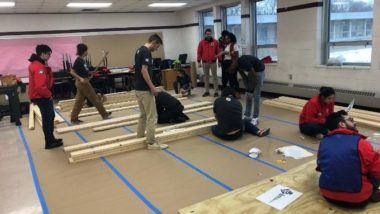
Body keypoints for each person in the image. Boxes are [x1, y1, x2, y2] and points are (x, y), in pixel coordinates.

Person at [317, 110, 380, 208]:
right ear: (342, 124)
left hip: (327, 195)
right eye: (351, 120)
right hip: (357, 199)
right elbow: (378, 171)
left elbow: (321, 167)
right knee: (372, 167)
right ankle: (372, 193)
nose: (355, 122)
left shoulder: (323, 143)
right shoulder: (361, 143)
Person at [135, 34, 168, 150]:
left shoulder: (139, 50)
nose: (157, 49)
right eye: (157, 46)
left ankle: (140, 135)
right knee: (152, 116)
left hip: (137, 88)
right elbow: (144, 70)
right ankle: (151, 142)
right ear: (153, 42)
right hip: (144, 90)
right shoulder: (146, 52)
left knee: (143, 114)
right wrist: (152, 87)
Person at [28, 44, 63, 149]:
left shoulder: (39, 64)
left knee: (50, 116)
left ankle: (51, 139)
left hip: (41, 96)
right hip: (41, 96)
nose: (49, 56)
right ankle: (49, 142)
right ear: (42, 54)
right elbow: (40, 87)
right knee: (47, 118)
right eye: (48, 54)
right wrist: (49, 95)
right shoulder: (38, 66)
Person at [69, 43, 111, 124]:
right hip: (82, 83)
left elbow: (84, 71)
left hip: (84, 81)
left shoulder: (82, 60)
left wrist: (90, 72)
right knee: (95, 98)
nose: (87, 52)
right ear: (84, 51)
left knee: (79, 101)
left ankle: (74, 118)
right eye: (86, 50)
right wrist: (80, 78)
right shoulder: (78, 60)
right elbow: (72, 72)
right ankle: (104, 114)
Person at [236, 55, 266, 125]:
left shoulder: (244, 62)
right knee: (248, 95)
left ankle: (255, 117)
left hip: (259, 71)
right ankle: (247, 115)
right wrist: (248, 90)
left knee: (256, 95)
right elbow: (244, 78)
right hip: (252, 72)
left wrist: (253, 88)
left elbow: (255, 76)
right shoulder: (237, 67)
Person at [197, 28, 222, 97]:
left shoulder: (215, 42)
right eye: (207, 34)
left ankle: (216, 92)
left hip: (213, 62)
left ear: (211, 34)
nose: (208, 35)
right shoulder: (201, 42)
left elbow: (218, 52)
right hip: (205, 62)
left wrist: (220, 61)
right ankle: (207, 91)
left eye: (209, 34)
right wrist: (199, 61)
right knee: (206, 77)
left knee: (215, 77)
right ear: (205, 34)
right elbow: (199, 52)